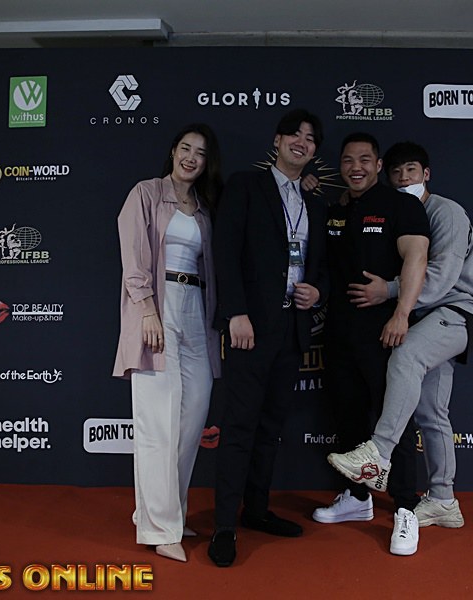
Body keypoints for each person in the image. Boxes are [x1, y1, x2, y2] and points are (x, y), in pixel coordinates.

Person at [326, 141, 473, 555]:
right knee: (431, 411)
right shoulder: (398, 209)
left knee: (405, 357)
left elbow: (440, 275)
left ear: (426, 174)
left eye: (411, 171)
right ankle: (444, 499)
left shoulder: (446, 212)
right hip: (427, 315)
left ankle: (378, 454)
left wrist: (389, 291)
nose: (404, 178)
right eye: (397, 173)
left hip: (458, 308)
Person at [208, 109, 328, 568]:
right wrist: (235, 313)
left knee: (270, 427)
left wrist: (318, 291)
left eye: (310, 138)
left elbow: (321, 267)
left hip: (292, 329)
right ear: (277, 141)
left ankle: (255, 510)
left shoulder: (314, 201)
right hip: (250, 328)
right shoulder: (246, 186)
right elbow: (225, 251)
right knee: (239, 426)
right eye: (294, 134)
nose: (302, 142)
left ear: (315, 151)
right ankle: (224, 526)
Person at [312, 133, 430, 555]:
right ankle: (357, 497)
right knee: (347, 415)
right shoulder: (336, 210)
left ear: (378, 166)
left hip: (385, 331)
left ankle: (406, 508)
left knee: (394, 419)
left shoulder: (402, 206)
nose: (356, 167)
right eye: (348, 160)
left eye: (365, 159)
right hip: (339, 332)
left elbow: (417, 257)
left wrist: (401, 312)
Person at [112, 123, 223, 563]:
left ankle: (167, 511)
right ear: (173, 151)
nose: (191, 157)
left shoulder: (205, 209)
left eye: (200, 152)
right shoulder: (145, 193)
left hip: (197, 312)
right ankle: (160, 527)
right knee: (157, 423)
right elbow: (134, 257)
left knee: (191, 419)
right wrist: (147, 311)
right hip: (158, 307)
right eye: (185, 148)